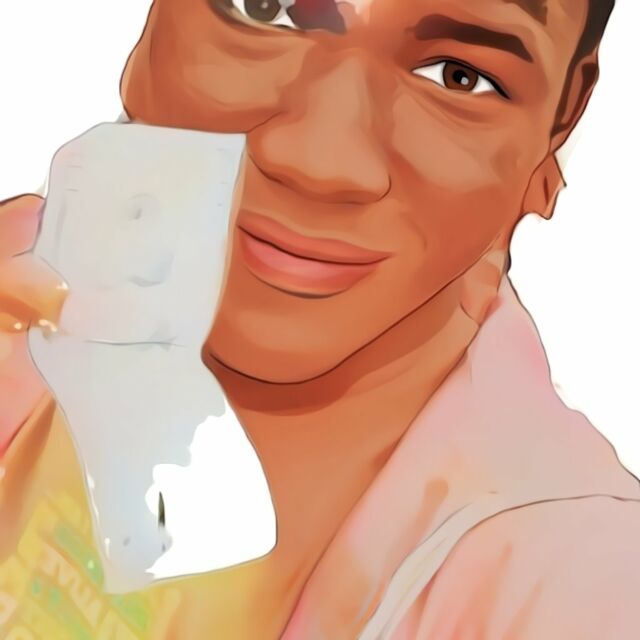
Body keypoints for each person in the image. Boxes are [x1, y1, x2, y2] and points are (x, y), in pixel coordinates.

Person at [1, 0, 639, 637]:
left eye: (457, 77)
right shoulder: (24, 273)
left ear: (559, 124)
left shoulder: (576, 593)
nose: (320, 161)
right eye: (264, 9)